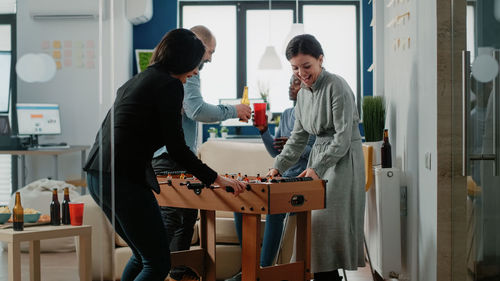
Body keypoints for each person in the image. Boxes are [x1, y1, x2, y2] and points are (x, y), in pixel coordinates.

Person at [84, 28, 246, 281]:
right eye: (197, 64)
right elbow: (177, 148)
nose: (195, 72)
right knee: (158, 263)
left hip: (97, 174)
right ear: (184, 60)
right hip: (123, 177)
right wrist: (216, 178)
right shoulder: (170, 85)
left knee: (142, 256)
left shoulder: (140, 79)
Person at [267, 34, 365, 281]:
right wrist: (278, 167)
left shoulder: (337, 86)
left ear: (321, 59)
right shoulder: (302, 95)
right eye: (295, 68)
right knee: (313, 229)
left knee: (324, 228)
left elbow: (342, 139)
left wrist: (318, 167)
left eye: (306, 66)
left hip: (342, 161)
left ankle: (328, 277)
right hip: (319, 162)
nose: (301, 73)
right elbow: (297, 138)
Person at [152, 25, 252, 252]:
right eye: (211, 52)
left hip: (166, 156)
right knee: (174, 219)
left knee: (185, 217)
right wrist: (234, 111)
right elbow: (196, 110)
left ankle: (176, 272)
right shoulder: (190, 69)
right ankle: (155, 270)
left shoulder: (172, 71)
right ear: (198, 45)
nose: (210, 59)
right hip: (170, 158)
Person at [225, 75, 315, 281]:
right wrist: (264, 131)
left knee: (274, 207)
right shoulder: (286, 114)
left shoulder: (315, 115)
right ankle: (249, 269)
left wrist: (295, 148)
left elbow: (318, 151)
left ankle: (263, 271)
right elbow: (276, 154)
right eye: (290, 81)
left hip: (304, 179)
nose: (290, 86)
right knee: (242, 201)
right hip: (283, 177)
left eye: (296, 82)